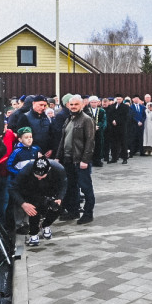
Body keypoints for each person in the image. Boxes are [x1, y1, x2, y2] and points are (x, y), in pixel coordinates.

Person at [11, 157, 68, 247]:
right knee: (33, 208)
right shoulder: (27, 169)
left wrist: (60, 198)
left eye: (42, 176)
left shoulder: (58, 169)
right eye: (37, 176)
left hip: (51, 188)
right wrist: (23, 203)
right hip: (31, 189)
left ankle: (45, 225)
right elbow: (13, 187)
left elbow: (64, 184)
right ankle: (33, 233)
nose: (39, 178)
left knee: (57, 207)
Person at [57, 95, 95, 225]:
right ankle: (73, 211)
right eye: (71, 104)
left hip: (80, 160)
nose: (73, 107)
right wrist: (58, 157)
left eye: (76, 104)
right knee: (71, 187)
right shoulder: (68, 119)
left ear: (82, 105)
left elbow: (90, 141)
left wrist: (85, 160)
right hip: (68, 160)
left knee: (85, 187)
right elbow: (63, 140)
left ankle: (88, 213)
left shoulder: (87, 120)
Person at [107, 96, 131, 163]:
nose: (118, 100)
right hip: (113, 128)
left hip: (121, 127)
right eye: (117, 99)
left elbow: (125, 117)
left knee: (123, 143)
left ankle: (125, 158)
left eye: (120, 99)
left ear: (122, 99)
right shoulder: (112, 106)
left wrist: (117, 121)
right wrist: (112, 121)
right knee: (114, 143)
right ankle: (114, 158)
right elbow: (109, 115)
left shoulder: (125, 107)